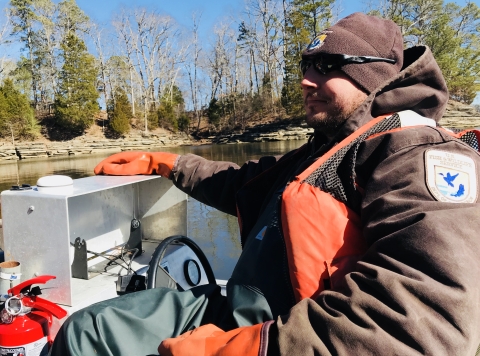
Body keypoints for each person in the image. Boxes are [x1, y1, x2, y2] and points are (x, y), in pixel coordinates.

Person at [50, 12, 480, 356]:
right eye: (306, 65)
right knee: (87, 329)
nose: (306, 80)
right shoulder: (328, 148)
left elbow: (428, 321)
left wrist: (252, 347)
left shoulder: (415, 154)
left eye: (327, 66)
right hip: (235, 308)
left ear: (375, 75)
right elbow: (240, 182)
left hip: (286, 331)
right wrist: (165, 163)